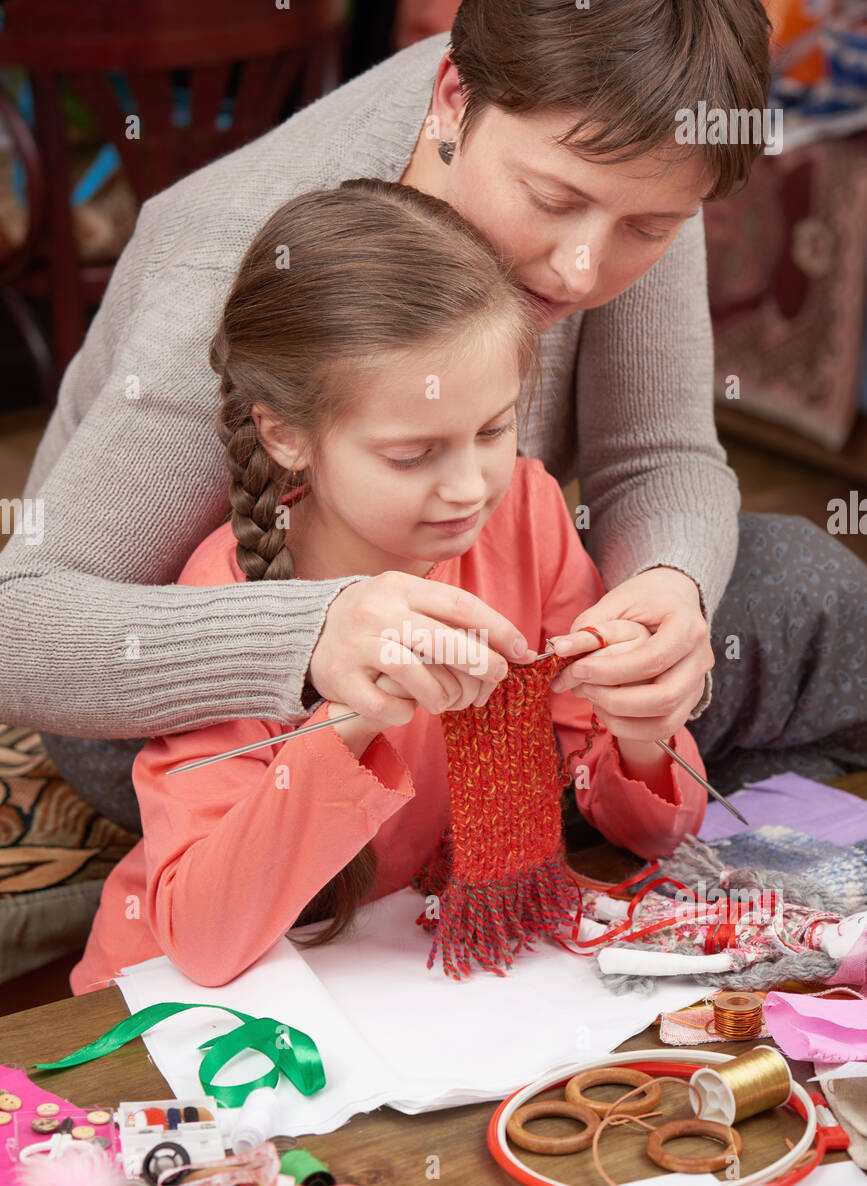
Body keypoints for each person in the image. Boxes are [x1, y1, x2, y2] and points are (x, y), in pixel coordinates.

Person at [1, 1, 863, 835]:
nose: (577, 269)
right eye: (552, 201)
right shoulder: (239, 267)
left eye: (647, 228)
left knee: (804, 589)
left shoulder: (638, 142)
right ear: (454, 97)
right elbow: (20, 629)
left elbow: (658, 456)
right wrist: (314, 636)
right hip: (211, 712)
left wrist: (670, 594)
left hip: (480, 638)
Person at [70, 181, 707, 994]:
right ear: (286, 435)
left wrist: (642, 728)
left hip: (396, 971)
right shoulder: (228, 600)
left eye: (492, 430)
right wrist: (349, 719)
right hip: (175, 1009)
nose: (468, 487)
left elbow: (659, 832)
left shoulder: (528, 516)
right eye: (411, 456)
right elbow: (202, 937)